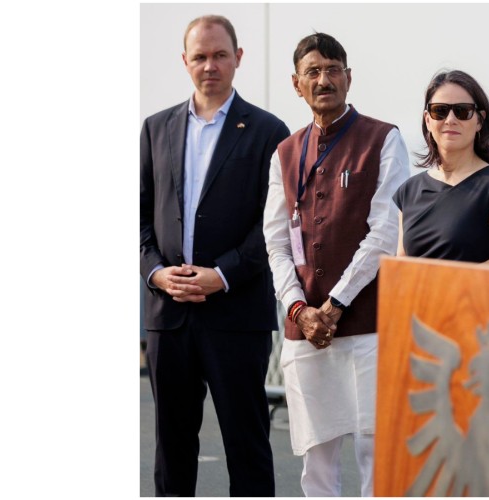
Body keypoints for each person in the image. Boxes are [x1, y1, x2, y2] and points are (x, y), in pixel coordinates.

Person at [140, 14, 288, 496]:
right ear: (185, 61)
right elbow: (138, 220)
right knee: (172, 449)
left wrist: (221, 275)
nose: (210, 65)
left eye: (220, 55)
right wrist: (157, 274)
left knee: (247, 447)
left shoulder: (269, 132)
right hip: (170, 316)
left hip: (237, 314)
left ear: (238, 58)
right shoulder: (154, 129)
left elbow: (275, 225)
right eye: (200, 56)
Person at [262, 32, 409, 497]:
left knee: (374, 451)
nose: (323, 79)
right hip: (305, 329)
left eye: (332, 69)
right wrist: (299, 310)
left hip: (368, 325)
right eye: (313, 71)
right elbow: (275, 241)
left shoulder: (383, 139)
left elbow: (386, 232)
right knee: (316, 459)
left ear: (349, 78)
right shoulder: (285, 153)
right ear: (296, 83)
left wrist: (336, 303)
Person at [392, 70, 489, 265]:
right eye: (439, 111)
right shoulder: (408, 192)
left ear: (479, 121)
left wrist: (455, 281)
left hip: (471, 296)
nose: (450, 119)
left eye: (462, 111)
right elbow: (402, 265)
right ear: (427, 120)